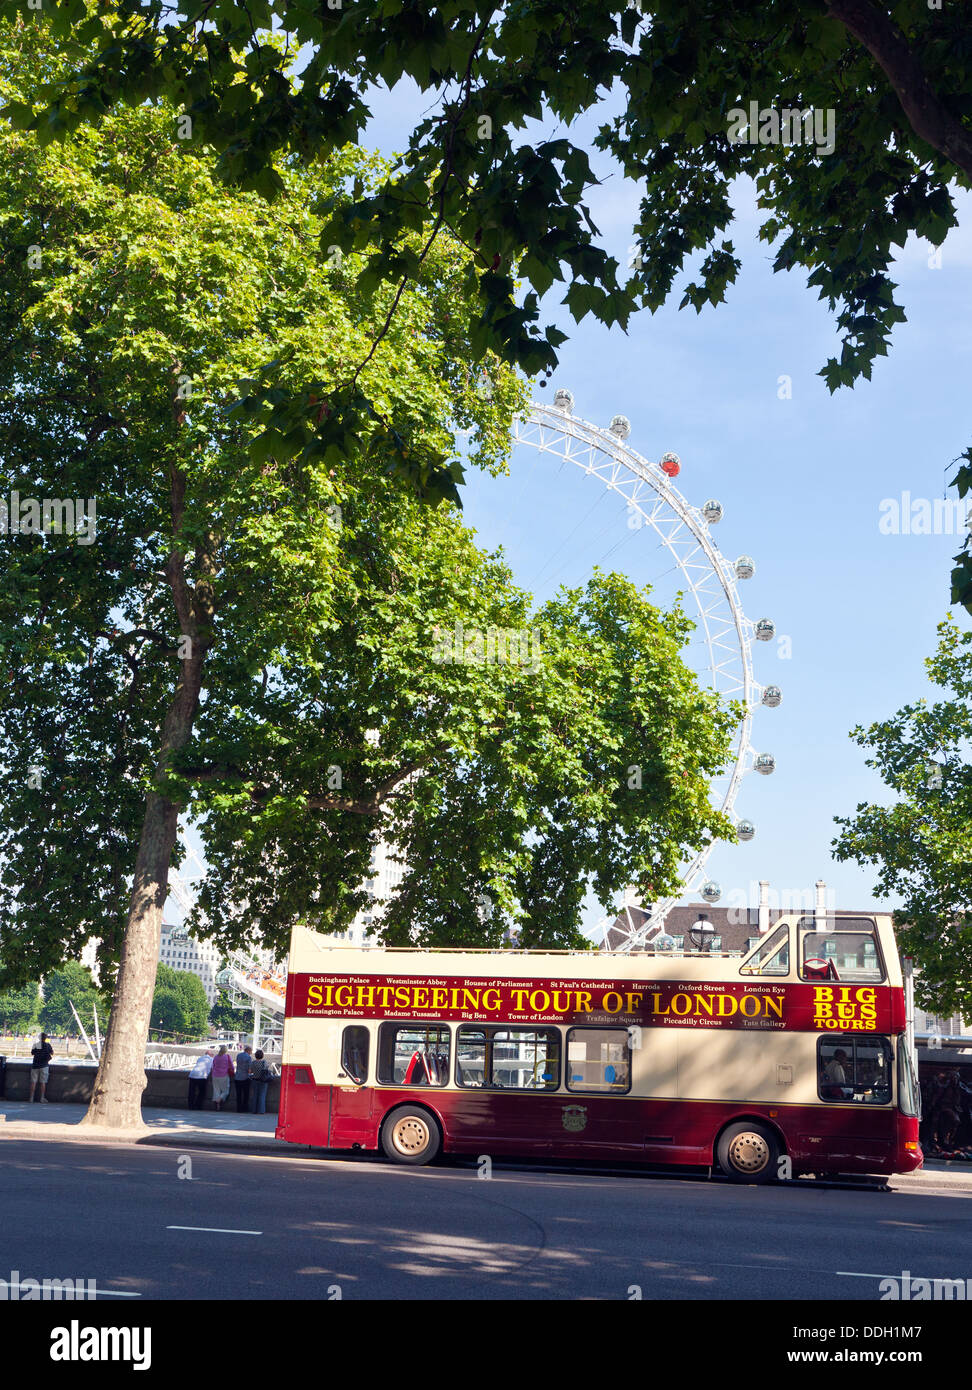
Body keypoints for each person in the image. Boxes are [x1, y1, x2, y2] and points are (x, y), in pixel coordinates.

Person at [29, 1032, 53, 1103]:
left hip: (35, 1065)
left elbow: (32, 1053)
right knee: (43, 1082)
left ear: (39, 1038)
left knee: (33, 1082)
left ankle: (31, 1098)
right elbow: (52, 1053)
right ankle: (42, 1098)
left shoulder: (36, 1045)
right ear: (45, 1038)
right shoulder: (48, 1045)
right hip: (44, 1065)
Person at [210, 1045, 234, 1110]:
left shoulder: (216, 1057)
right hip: (224, 1075)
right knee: (225, 1091)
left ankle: (216, 1103)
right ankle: (219, 1100)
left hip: (214, 1075)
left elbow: (213, 1066)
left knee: (216, 1090)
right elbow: (232, 1066)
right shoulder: (227, 1057)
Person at [250, 1050, 270, 1114]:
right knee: (262, 1095)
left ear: (255, 1056)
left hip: (255, 1080)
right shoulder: (264, 1062)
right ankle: (261, 1110)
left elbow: (250, 1071)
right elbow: (267, 1070)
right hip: (263, 1080)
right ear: (262, 1056)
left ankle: (254, 1110)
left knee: (255, 1095)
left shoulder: (253, 1063)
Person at [234, 1045, 253, 1113]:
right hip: (245, 1078)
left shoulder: (239, 1055)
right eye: (251, 1051)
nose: (251, 1052)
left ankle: (238, 1109)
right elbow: (249, 1069)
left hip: (237, 1077)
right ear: (248, 1051)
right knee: (246, 1095)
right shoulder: (249, 1057)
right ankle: (245, 1108)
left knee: (238, 1094)